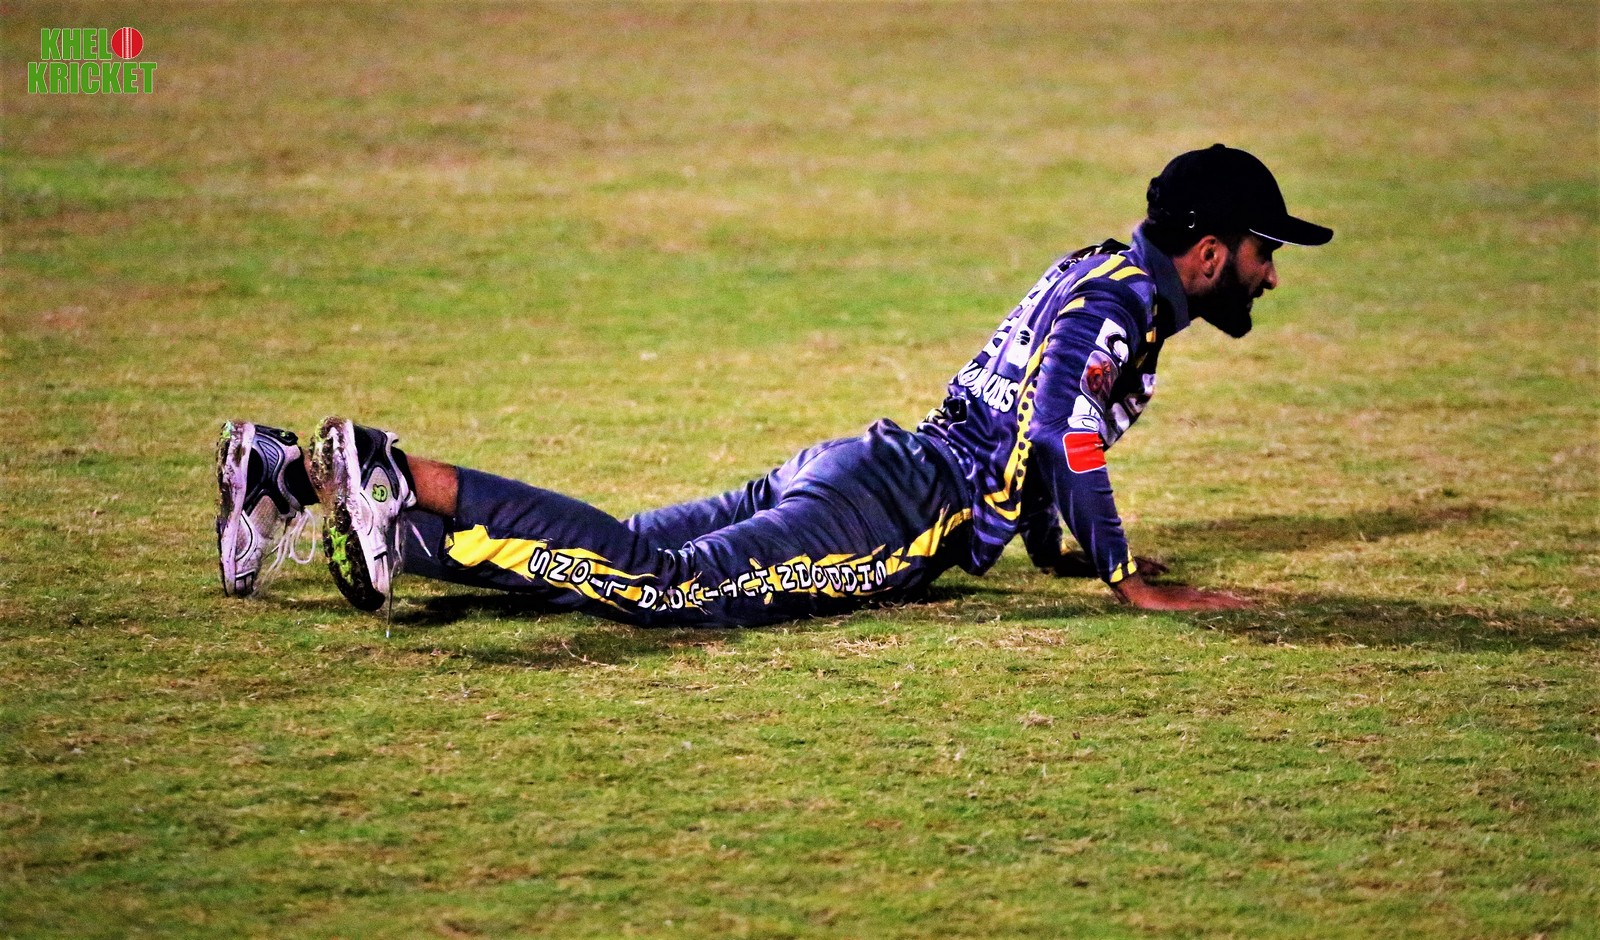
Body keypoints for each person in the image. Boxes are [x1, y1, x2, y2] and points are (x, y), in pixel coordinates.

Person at [215, 144, 1332, 625]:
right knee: (663, 588)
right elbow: (1059, 434)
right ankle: (392, 470)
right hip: (898, 504)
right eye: (1262, 251)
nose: (1270, 274)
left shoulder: (1100, 269)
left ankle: (299, 479)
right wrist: (1126, 579)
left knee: (610, 560)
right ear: (1207, 251)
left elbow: (1039, 443)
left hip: (874, 465)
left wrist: (1060, 550)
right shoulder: (1123, 306)